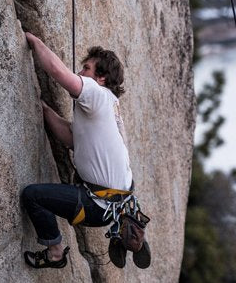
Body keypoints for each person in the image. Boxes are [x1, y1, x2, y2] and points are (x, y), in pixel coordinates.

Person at [20, 32, 148, 270]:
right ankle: (127, 229)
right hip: (116, 203)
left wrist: (34, 41)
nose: (80, 72)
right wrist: (45, 110)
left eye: (86, 68)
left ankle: (55, 253)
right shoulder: (108, 105)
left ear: (101, 78)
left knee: (32, 196)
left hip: (96, 204)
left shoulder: (96, 94)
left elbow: (58, 72)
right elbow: (71, 137)